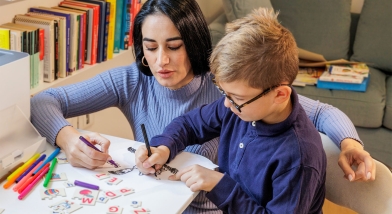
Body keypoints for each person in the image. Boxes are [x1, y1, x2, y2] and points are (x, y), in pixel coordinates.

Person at [30, 0, 374, 213]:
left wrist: (349, 143)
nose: (160, 60)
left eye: (174, 46)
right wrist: (70, 139)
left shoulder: (237, 88)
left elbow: (321, 112)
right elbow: (193, 123)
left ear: (192, 43)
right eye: (149, 47)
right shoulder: (233, 96)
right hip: (158, 198)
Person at [136, 8, 326, 212]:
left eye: (237, 98)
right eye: (224, 93)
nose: (226, 104)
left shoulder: (299, 158)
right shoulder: (240, 107)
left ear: (280, 95)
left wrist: (220, 186)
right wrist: (164, 147)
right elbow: (189, 124)